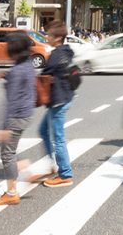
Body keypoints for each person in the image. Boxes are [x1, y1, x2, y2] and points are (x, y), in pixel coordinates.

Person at [0, 32, 36, 206]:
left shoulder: (17, 70)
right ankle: (25, 170)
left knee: (6, 154)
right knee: (8, 149)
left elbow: (12, 101)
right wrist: (6, 75)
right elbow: (21, 79)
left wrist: (3, 127)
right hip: (26, 113)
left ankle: (11, 192)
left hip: (15, 116)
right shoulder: (28, 64)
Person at [37, 20, 76, 187]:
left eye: (50, 35)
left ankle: (65, 173)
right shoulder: (66, 51)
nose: (47, 37)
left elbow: (45, 75)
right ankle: (53, 164)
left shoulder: (56, 55)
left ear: (58, 37)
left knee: (58, 138)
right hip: (64, 97)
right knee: (43, 130)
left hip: (58, 100)